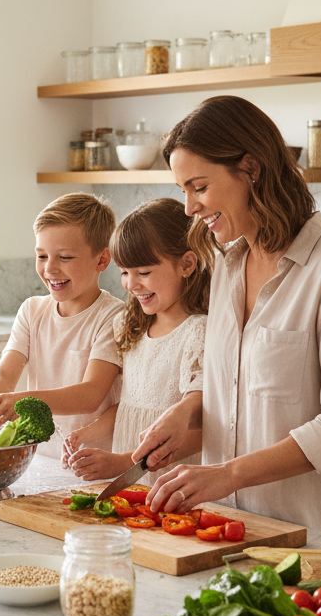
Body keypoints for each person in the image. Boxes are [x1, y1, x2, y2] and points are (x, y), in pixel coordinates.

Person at [136, 95, 321, 537]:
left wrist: (228, 474)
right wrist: (187, 410)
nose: (189, 207)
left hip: (316, 539)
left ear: (251, 169)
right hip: (232, 528)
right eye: (183, 190)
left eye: (199, 187)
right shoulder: (228, 267)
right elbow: (233, 376)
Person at [62, 198, 211, 483]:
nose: (131, 285)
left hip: (172, 484)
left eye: (143, 272)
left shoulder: (199, 332)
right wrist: (84, 435)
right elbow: (131, 407)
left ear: (187, 264)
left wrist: (125, 463)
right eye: (124, 272)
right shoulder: (130, 326)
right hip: (132, 481)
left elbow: (205, 431)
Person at [0, 192, 123, 460]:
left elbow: (91, 394)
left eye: (64, 257)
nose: (50, 268)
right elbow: (4, 375)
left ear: (102, 260)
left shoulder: (113, 317)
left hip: (94, 462)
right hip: (41, 458)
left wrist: (21, 400)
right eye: (42, 256)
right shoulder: (32, 311)